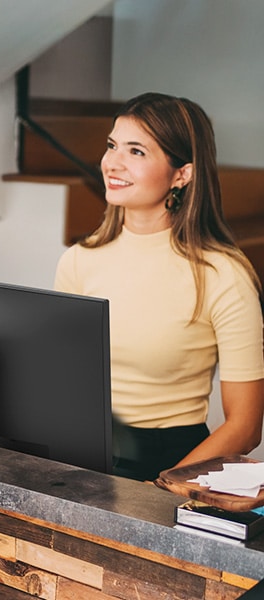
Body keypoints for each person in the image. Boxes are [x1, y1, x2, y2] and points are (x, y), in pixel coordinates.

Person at [55, 92, 264, 482]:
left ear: (181, 174)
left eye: (136, 152)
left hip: (172, 464)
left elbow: (247, 426)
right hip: (84, 457)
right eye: (112, 145)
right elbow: (64, 381)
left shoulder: (224, 275)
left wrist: (162, 486)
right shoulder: (79, 259)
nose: (112, 163)